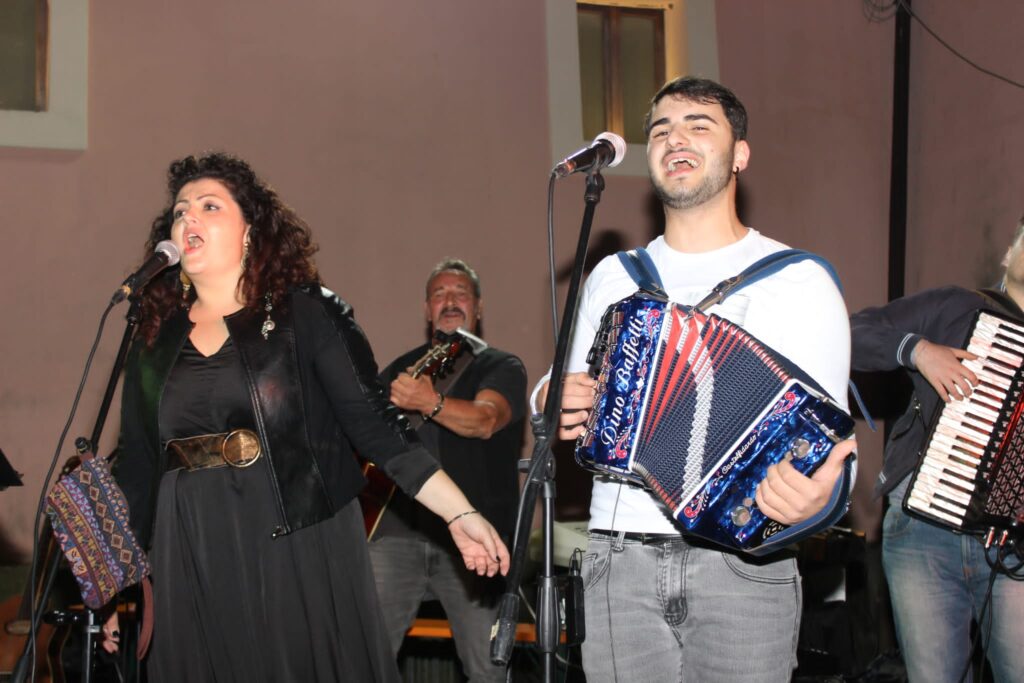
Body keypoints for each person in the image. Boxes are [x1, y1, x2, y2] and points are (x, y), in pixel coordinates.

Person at [101, 153, 510, 682]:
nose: (189, 218)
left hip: (289, 534)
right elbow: (136, 468)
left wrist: (459, 513)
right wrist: (111, 585)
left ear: (251, 231)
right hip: (188, 540)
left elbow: (377, 426)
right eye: (180, 211)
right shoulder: (153, 339)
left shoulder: (305, 312)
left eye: (209, 206)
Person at [533, 76, 856, 682]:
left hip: (741, 562)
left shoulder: (798, 280)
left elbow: (832, 444)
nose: (675, 139)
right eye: (661, 130)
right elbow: (558, 388)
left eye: (698, 126)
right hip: (617, 557)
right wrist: (550, 397)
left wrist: (820, 497)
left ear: (740, 155)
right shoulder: (614, 275)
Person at [849, 218, 1024, 682]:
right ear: (1008, 255)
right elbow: (852, 332)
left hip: (1012, 548)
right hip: (922, 535)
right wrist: (918, 350)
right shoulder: (957, 306)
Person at [368, 258, 526, 682]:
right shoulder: (401, 371)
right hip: (395, 535)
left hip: (473, 541)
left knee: (488, 669)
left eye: (461, 293)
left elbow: (486, 420)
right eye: (439, 294)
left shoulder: (500, 365)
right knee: (364, 661)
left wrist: (429, 403)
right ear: (427, 309)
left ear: (479, 307)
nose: (450, 301)